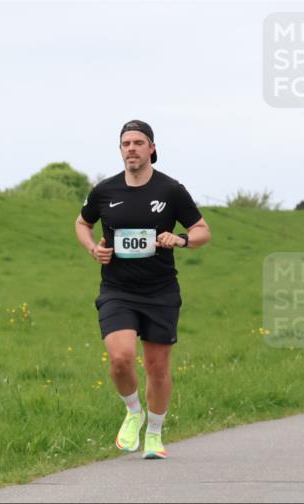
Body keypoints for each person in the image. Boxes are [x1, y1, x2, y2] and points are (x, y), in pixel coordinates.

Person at [74, 120, 211, 460]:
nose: (131, 148)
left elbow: (202, 230)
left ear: (151, 148)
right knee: (120, 358)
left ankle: (154, 432)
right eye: (125, 143)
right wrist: (93, 248)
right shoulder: (105, 191)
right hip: (117, 290)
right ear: (120, 150)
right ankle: (133, 411)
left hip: (161, 291)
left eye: (138, 142)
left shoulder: (171, 191)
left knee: (157, 366)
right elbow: (82, 223)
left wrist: (179, 239)